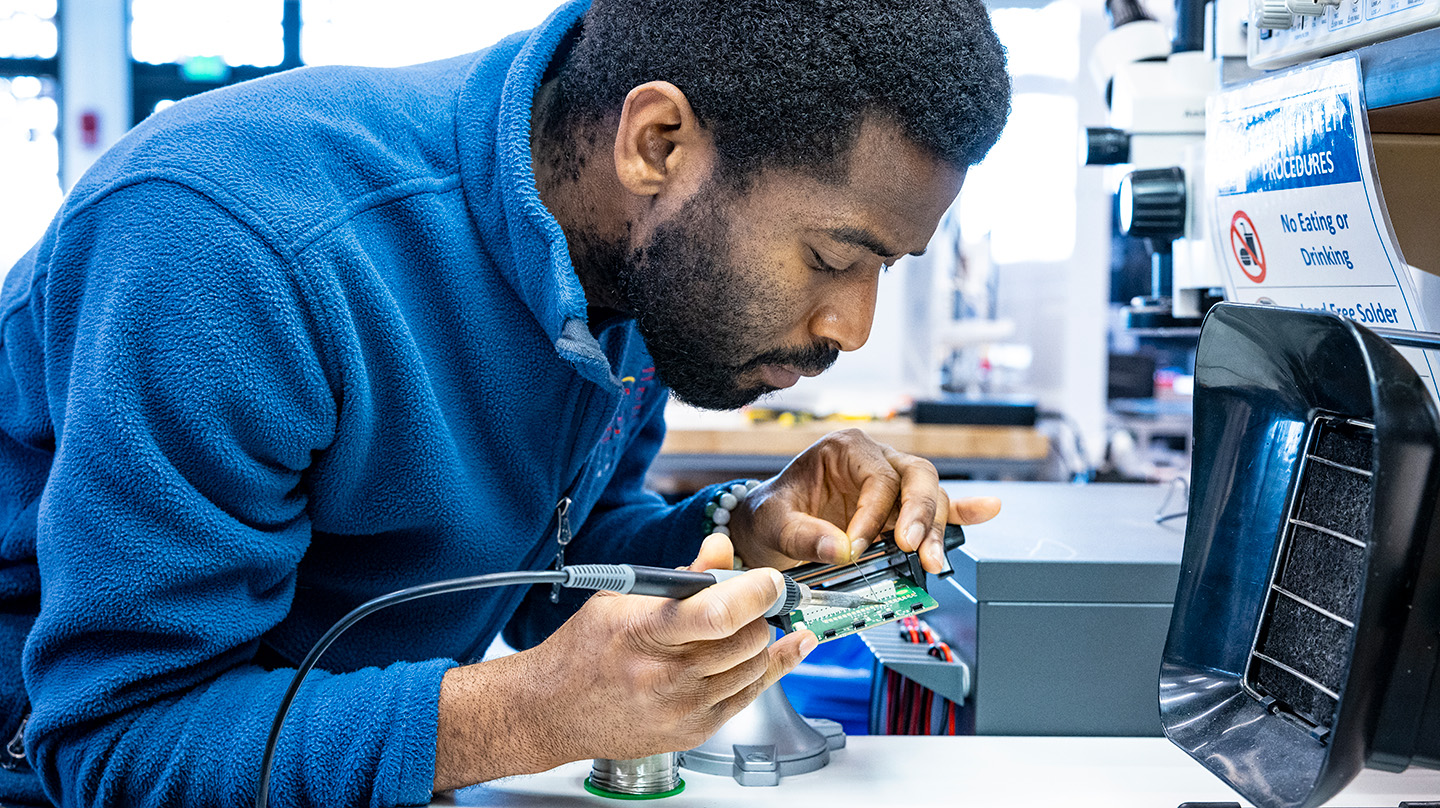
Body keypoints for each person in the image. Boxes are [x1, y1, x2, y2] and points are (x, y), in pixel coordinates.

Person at [0, 0, 1011, 805]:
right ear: (658, 143)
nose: (853, 325)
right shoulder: (237, 248)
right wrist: (528, 715)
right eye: (837, 256)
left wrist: (744, 537)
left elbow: (552, 569)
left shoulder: (634, 266)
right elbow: (117, 741)